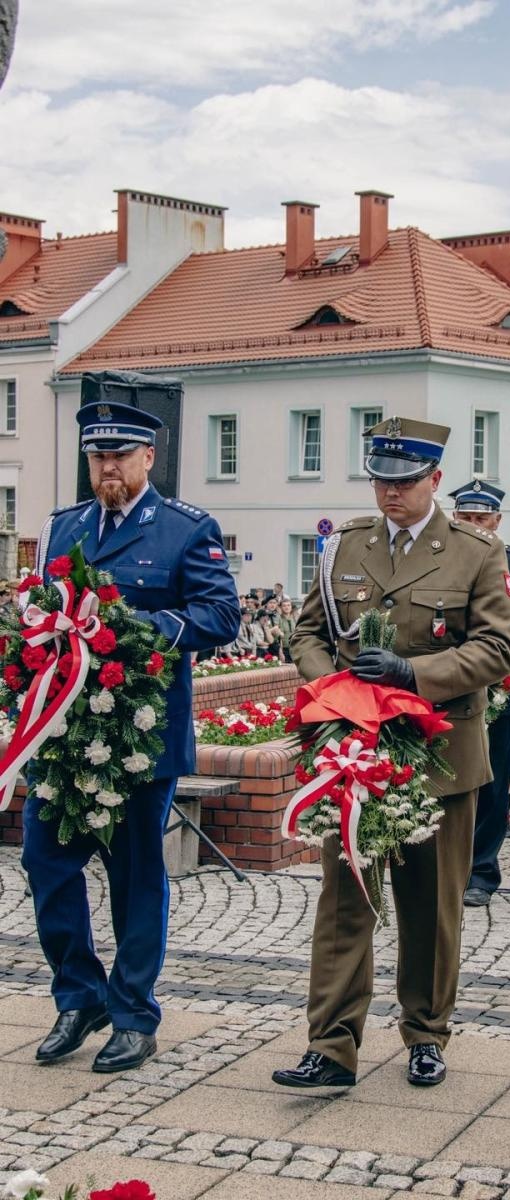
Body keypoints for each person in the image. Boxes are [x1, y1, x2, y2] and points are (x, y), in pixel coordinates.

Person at [273, 416, 510, 1090]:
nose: (391, 492)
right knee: (345, 901)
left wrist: (413, 675)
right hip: (355, 751)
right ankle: (331, 1046)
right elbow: (308, 633)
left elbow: (497, 649)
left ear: (434, 479)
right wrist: (336, 690)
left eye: (405, 481)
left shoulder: (476, 551)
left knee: (431, 905)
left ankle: (426, 1033)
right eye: (381, 480)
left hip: (439, 755)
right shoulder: (346, 545)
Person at [22, 400, 240, 1073]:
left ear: (149, 457)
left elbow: (220, 615)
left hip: (141, 738)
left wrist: (141, 631)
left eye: (119, 454)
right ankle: (79, 996)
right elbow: (42, 610)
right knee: (45, 863)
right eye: (98, 456)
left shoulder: (185, 529)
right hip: (65, 735)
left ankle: (133, 1015)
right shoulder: (63, 528)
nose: (107, 466)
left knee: (135, 877)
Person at [446, 478, 510, 908]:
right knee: (444, 778)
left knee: (491, 783)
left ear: (497, 521)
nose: (474, 524)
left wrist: (489, 638)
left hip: (493, 688)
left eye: (482, 518)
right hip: (446, 684)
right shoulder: (439, 559)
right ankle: (444, 865)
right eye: (466, 517)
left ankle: (481, 872)